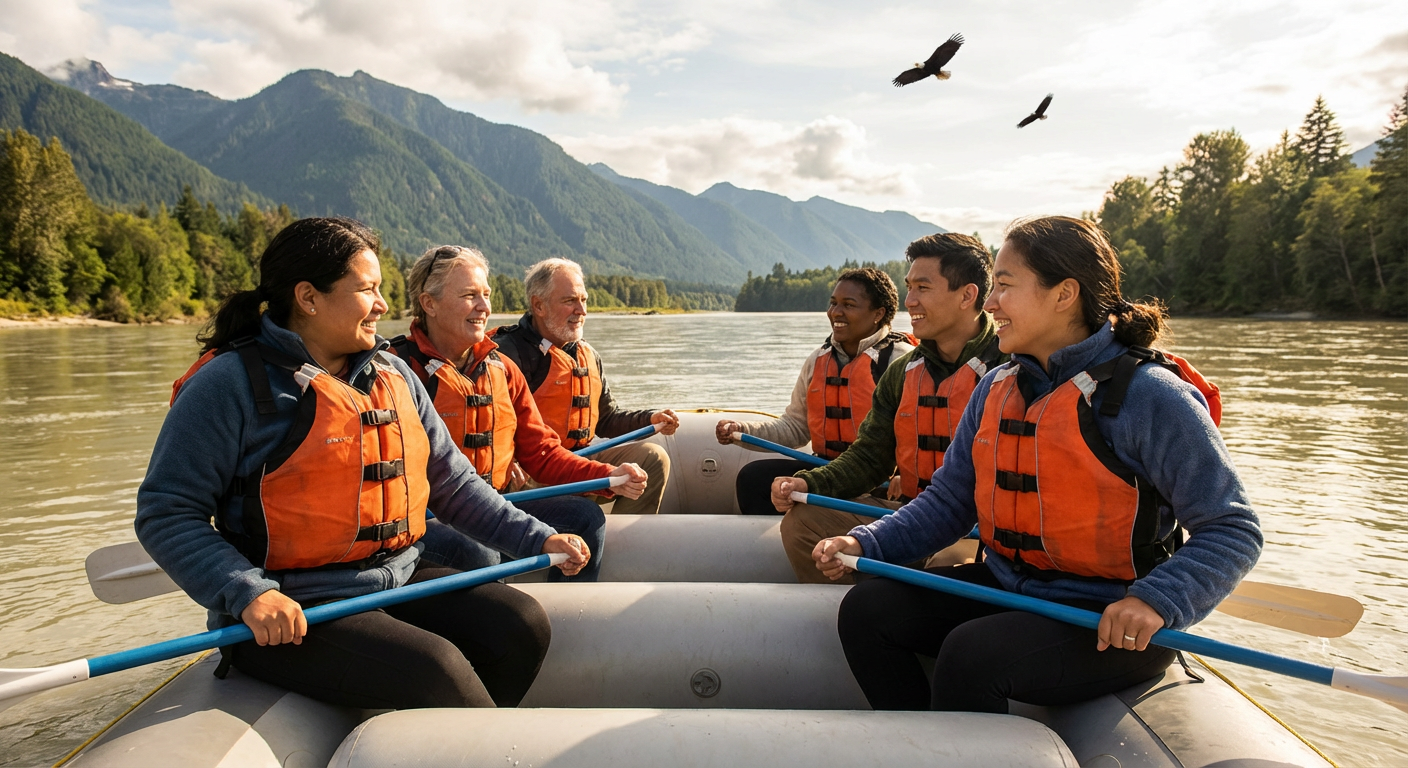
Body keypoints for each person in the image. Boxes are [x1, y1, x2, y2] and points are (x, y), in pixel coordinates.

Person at [811, 215, 1262, 713]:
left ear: (1064, 294)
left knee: (971, 656)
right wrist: (865, 542)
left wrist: (1155, 601)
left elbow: (1232, 527)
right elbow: (949, 501)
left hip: (1109, 612)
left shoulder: (1150, 396)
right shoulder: (996, 386)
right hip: (1010, 586)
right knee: (867, 612)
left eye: (1004, 286)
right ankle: (920, 744)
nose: (989, 303)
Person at [137, 217, 587, 711]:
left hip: (395, 577)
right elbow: (166, 510)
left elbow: (454, 485)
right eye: (367, 289)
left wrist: (536, 536)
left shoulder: (392, 374)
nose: (383, 305)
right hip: (293, 608)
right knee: (437, 670)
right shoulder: (229, 385)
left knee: (521, 625)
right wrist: (246, 593)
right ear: (308, 298)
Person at [388, 245, 649, 581]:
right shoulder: (397, 370)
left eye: (486, 294)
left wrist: (608, 474)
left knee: (584, 517)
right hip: (427, 517)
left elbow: (542, 454)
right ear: (429, 304)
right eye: (470, 295)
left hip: (494, 504)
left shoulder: (502, 369)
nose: (484, 307)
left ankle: (568, 613)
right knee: (476, 549)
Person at [769, 236, 1004, 581]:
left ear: (968, 296)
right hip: (908, 511)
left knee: (948, 563)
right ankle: (850, 607)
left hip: (974, 525)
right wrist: (807, 484)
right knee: (803, 523)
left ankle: (893, 599)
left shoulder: (1010, 367)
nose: (910, 301)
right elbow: (868, 458)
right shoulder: (903, 372)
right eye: (909, 288)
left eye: (923, 288)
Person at [715, 267, 914, 515]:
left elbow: (919, 433)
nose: (835, 313)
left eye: (848, 305)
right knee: (753, 479)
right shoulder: (817, 360)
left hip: (877, 477)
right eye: (833, 303)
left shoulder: (902, 361)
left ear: (878, 313)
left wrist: (906, 475)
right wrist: (742, 430)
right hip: (826, 468)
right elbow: (796, 427)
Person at [492, 258, 678, 515]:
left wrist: (649, 419)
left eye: (584, 300)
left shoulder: (589, 355)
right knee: (566, 503)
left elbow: (607, 419)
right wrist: (506, 459)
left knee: (653, 459)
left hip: (581, 461)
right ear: (539, 305)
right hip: (533, 470)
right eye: (570, 301)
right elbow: (486, 426)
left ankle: (626, 544)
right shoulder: (507, 354)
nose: (581, 310)